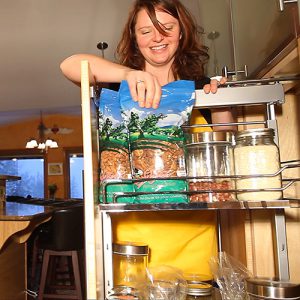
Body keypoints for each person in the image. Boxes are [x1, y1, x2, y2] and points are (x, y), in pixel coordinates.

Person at [61, 0, 236, 278]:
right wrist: (129, 74)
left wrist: (223, 103)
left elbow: (226, 144)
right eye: (146, 31)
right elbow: (69, 65)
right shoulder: (118, 85)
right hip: (132, 247)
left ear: (182, 32)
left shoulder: (200, 87)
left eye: (166, 28)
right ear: (134, 38)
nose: (157, 38)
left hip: (195, 244)